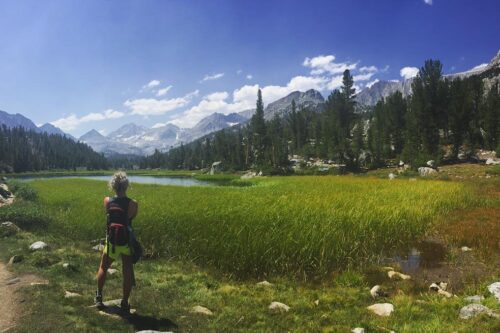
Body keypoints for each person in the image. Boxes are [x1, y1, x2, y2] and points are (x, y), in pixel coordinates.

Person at [95, 171, 138, 313]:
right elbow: (131, 218)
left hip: (112, 241)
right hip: (125, 242)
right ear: (126, 186)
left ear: (113, 186)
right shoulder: (133, 204)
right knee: (127, 272)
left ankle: (99, 297)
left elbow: (109, 216)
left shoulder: (107, 200)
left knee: (103, 267)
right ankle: (125, 302)